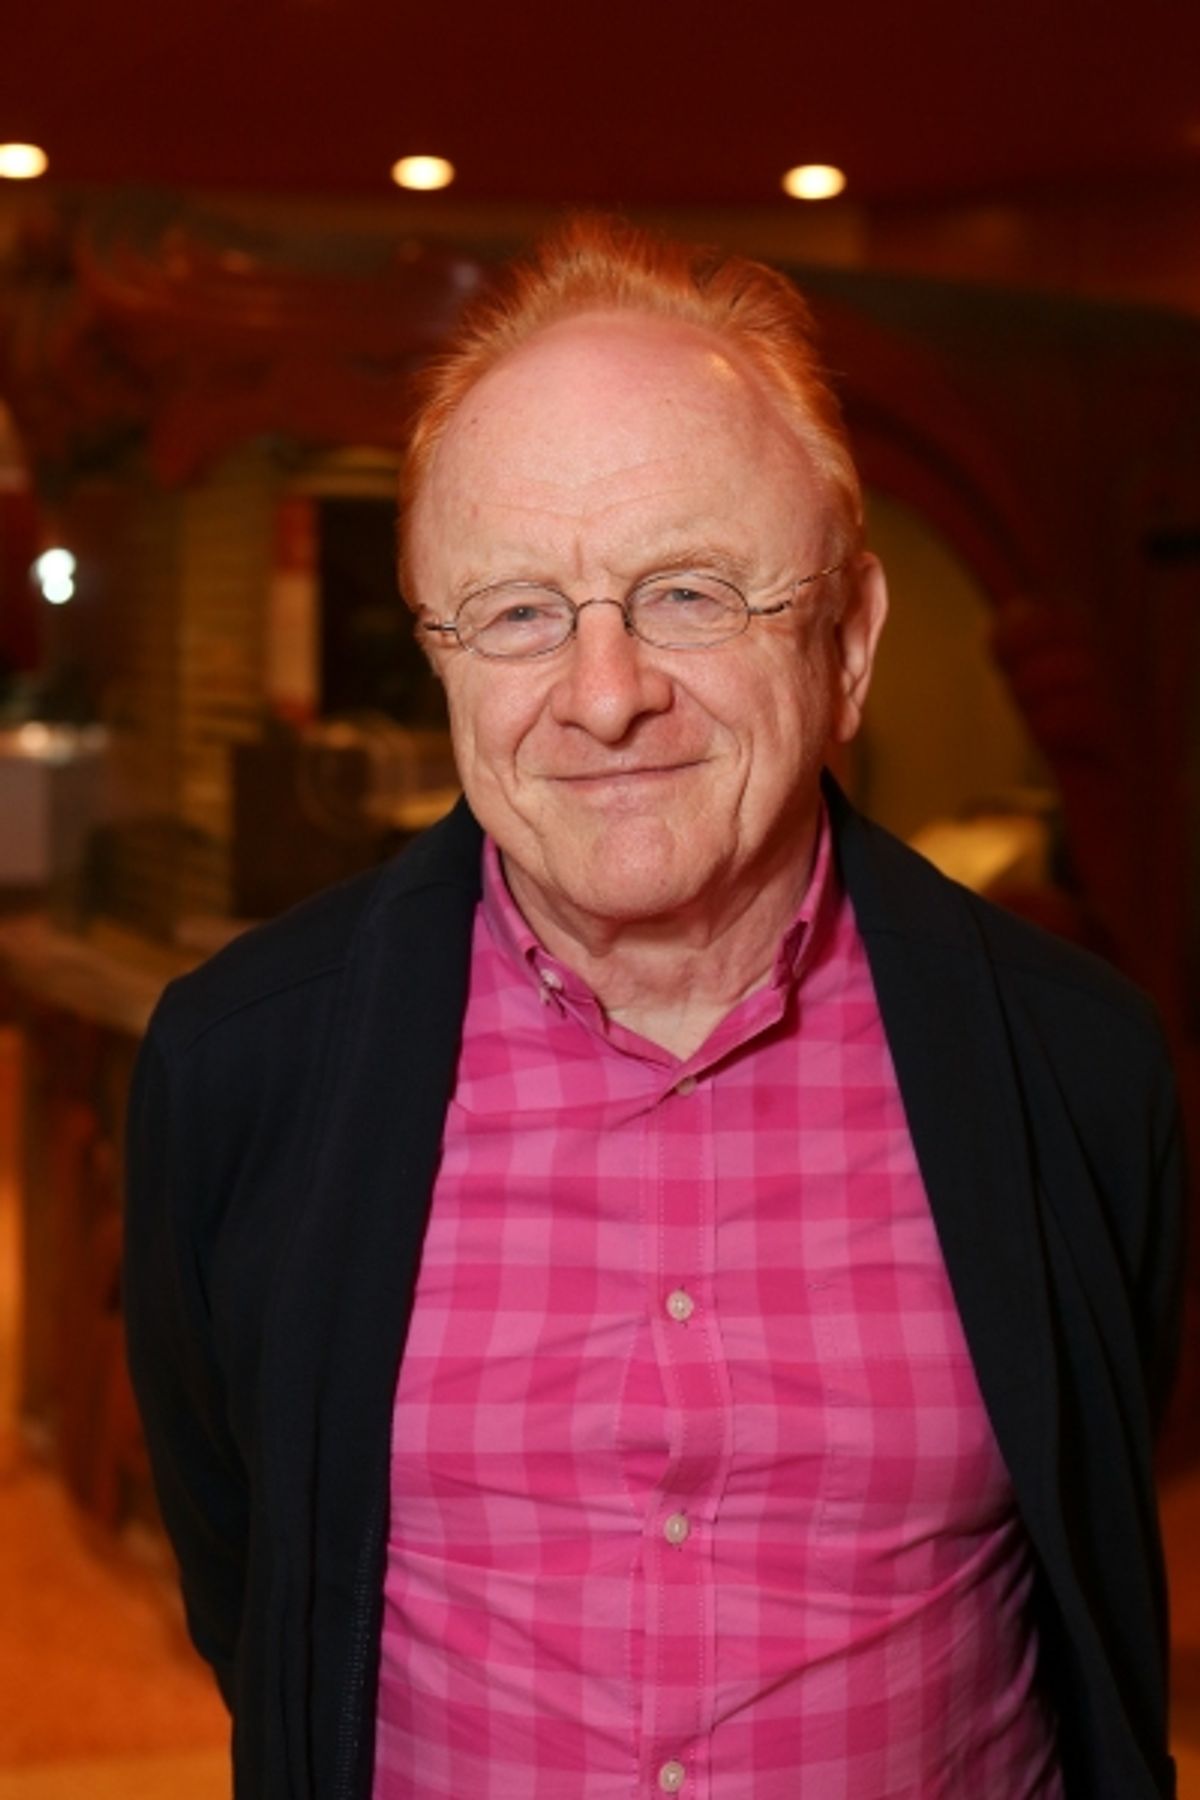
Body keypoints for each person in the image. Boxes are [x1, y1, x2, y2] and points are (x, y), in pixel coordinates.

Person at [124, 216, 1185, 1799]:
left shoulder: (1077, 1069)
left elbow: (1100, 1530)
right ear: (441, 654)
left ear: (848, 646)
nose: (606, 692)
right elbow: (257, 1573)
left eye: (689, 592)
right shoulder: (240, 1068)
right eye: (518, 611)